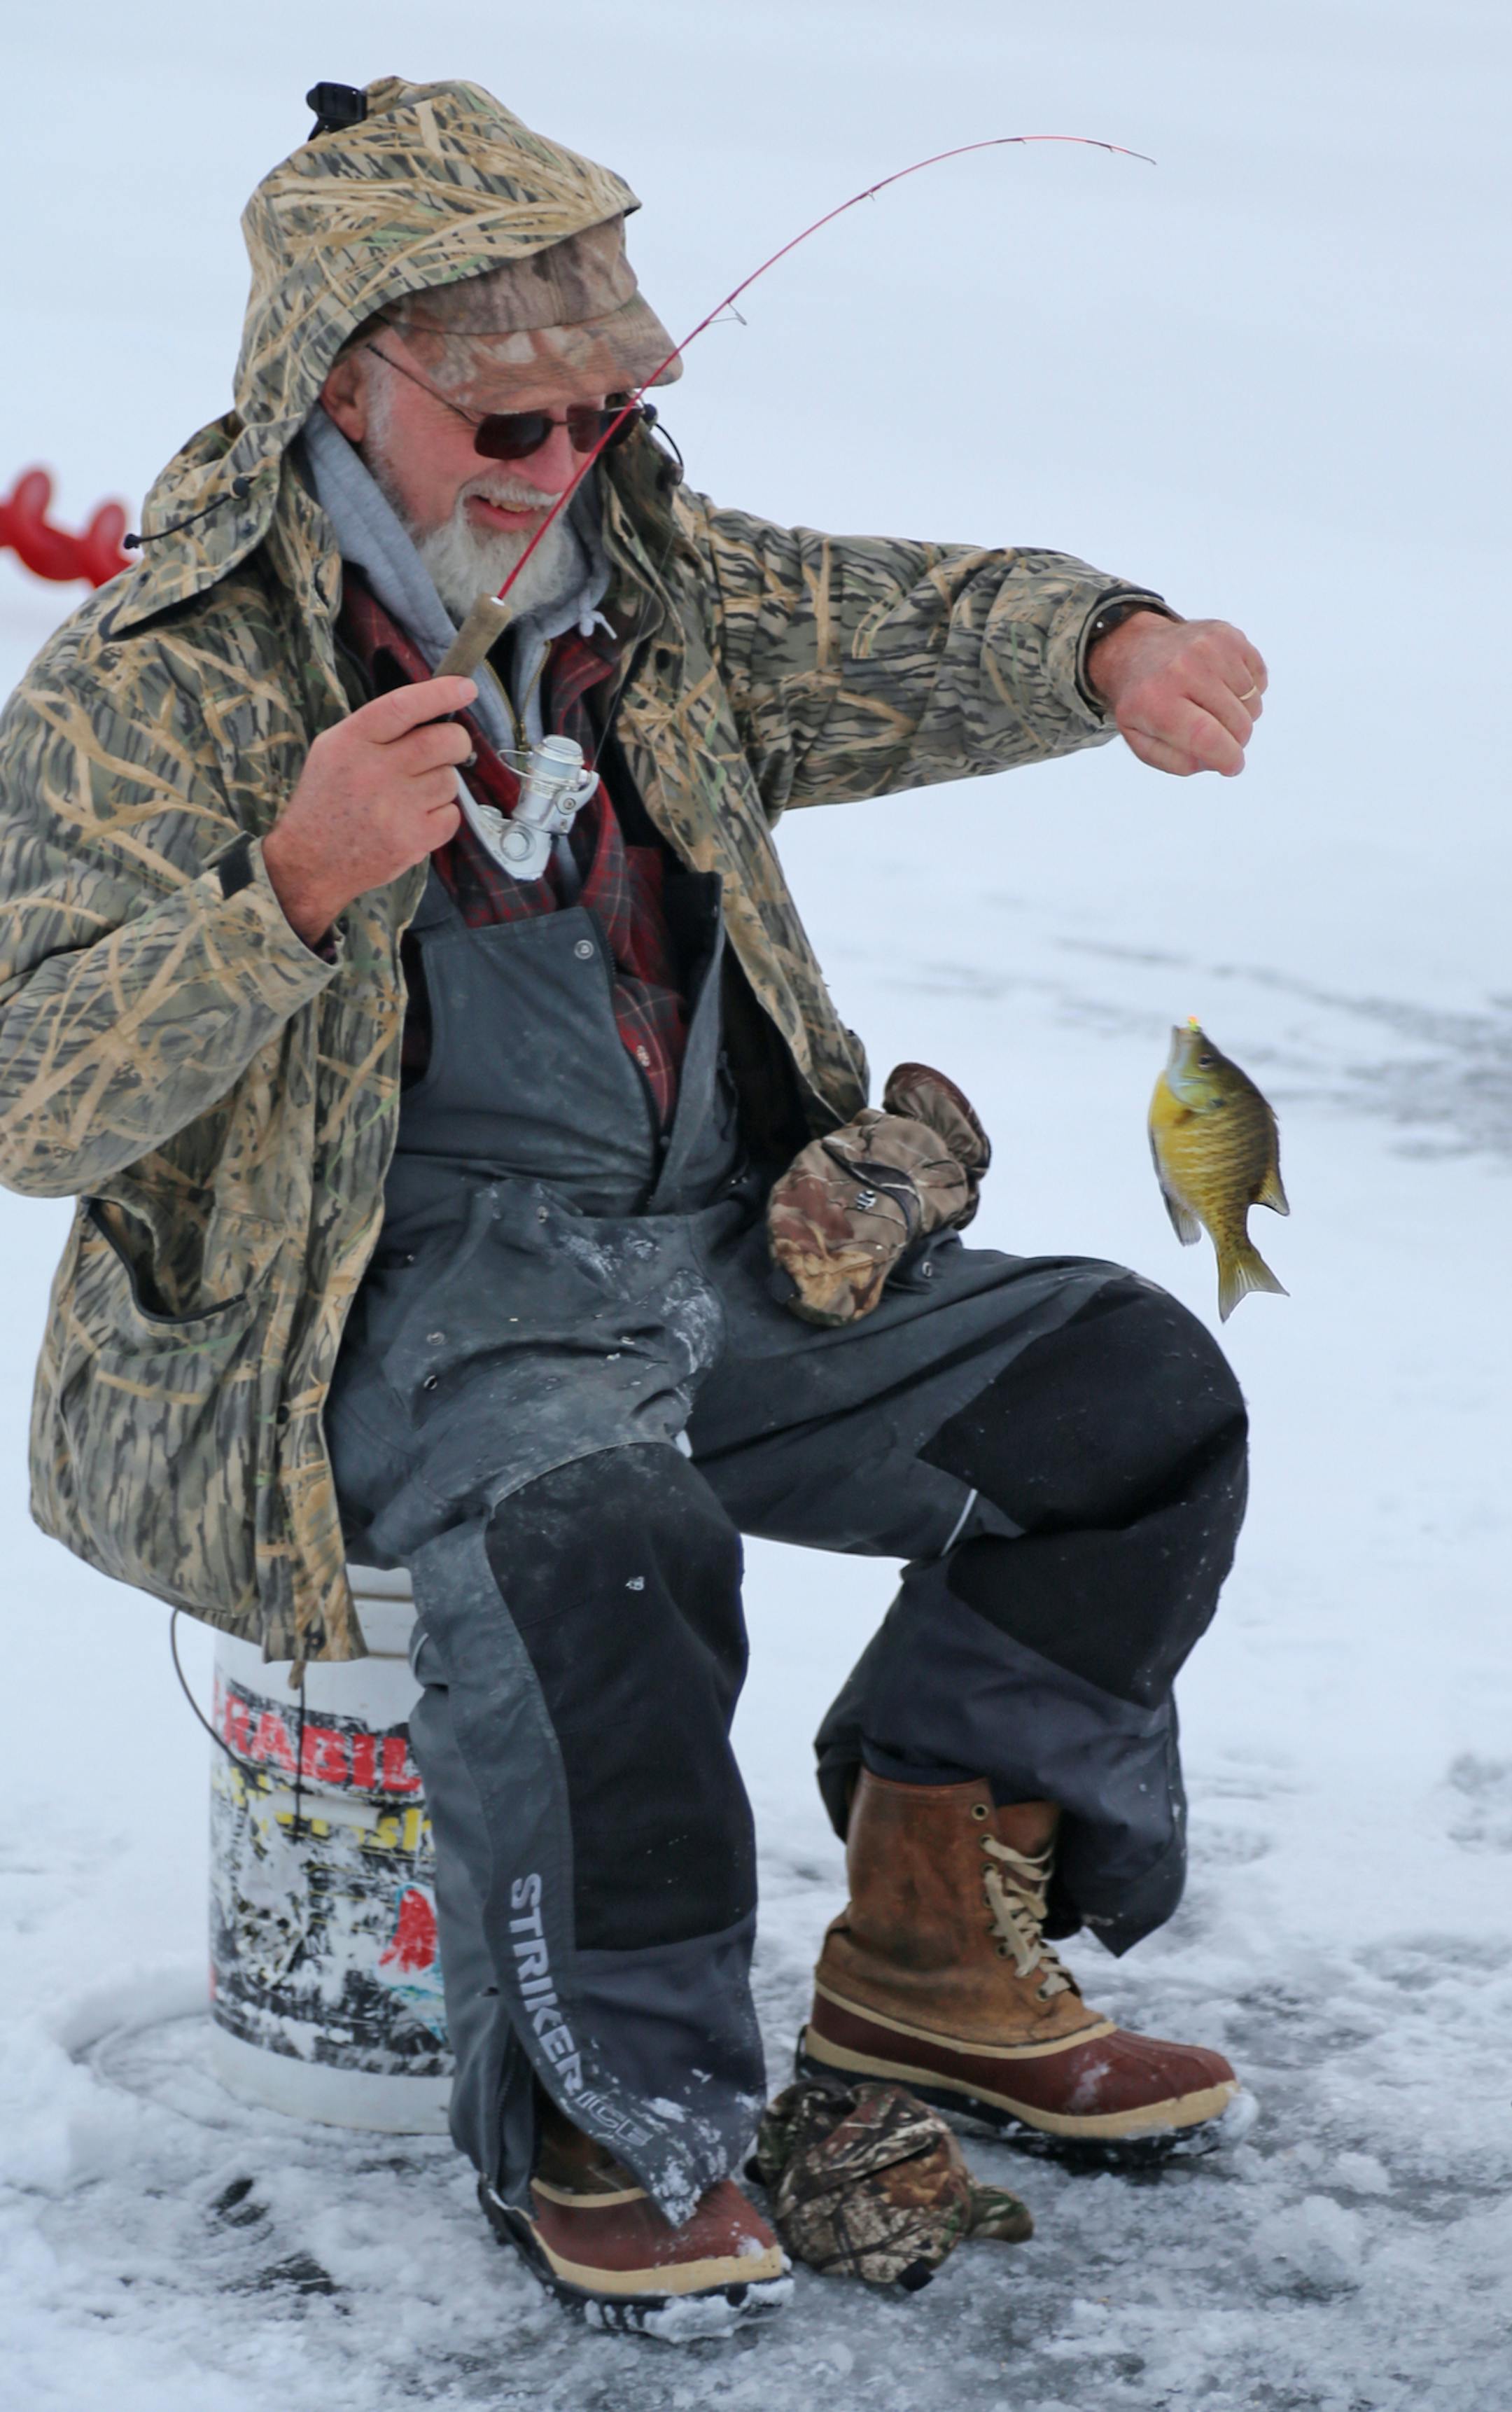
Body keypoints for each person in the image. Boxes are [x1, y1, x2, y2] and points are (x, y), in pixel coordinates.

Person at [0, 78, 1266, 2334]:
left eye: (601, 412)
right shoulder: (155, 682)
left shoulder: (655, 590)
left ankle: (925, 1961)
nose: (560, 463)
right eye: (507, 417)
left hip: (724, 1263)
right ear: (337, 379)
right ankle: (625, 2113)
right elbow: (23, 1090)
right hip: (385, 1312)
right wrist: (283, 890)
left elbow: (891, 616)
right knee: (603, 1545)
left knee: (1127, 1395)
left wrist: (1111, 648)